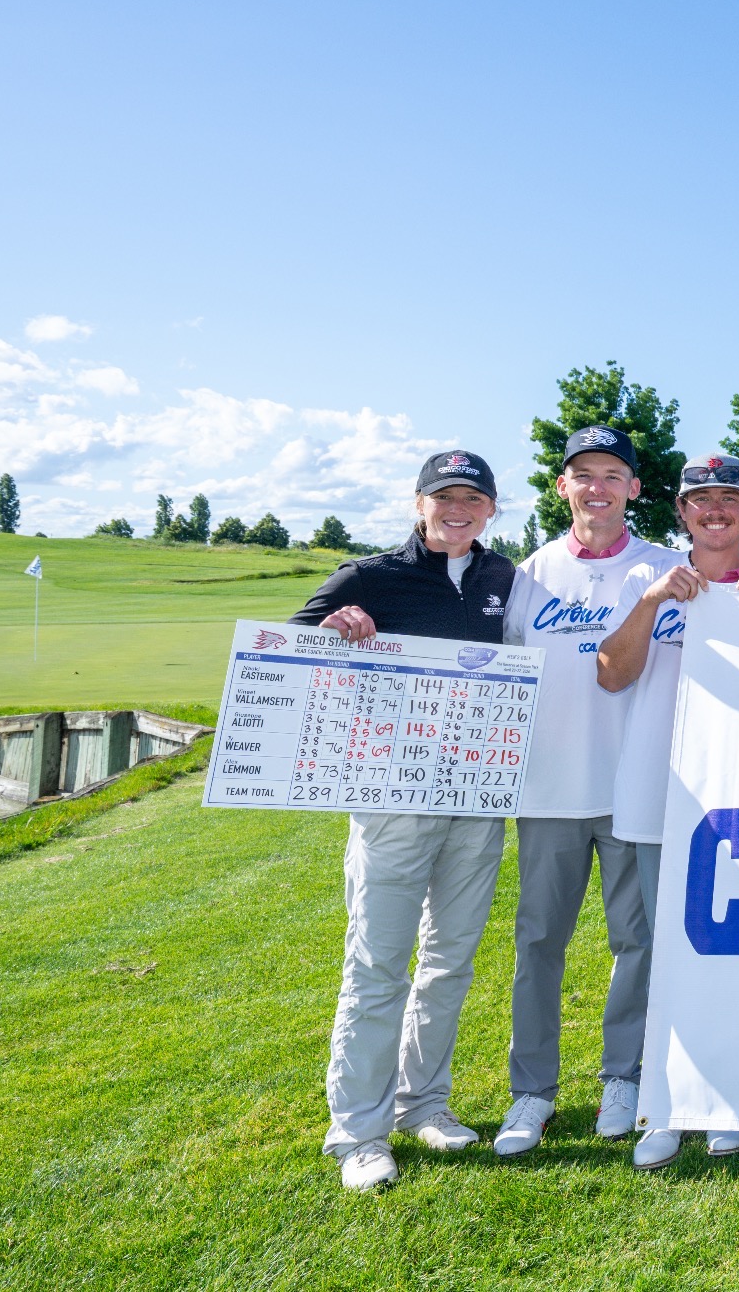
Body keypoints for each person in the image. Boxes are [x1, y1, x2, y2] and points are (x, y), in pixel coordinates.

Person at [291, 450, 524, 1192]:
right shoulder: (368, 576)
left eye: (472, 499)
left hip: (476, 800)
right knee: (378, 963)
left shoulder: (504, 579)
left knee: (450, 960)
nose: (457, 510)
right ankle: (358, 1131)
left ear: (491, 509)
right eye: (443, 497)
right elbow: (287, 654)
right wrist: (335, 624)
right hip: (392, 801)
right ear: (417, 503)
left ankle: (423, 1101)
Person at [597, 453, 739, 1170]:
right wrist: (654, 601)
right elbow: (611, 673)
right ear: (681, 510)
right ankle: (665, 1102)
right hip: (662, 794)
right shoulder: (647, 578)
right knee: (669, 951)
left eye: (731, 498)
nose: (716, 510)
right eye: (702, 500)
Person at [491, 427, 665, 1159]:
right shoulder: (529, 575)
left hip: (634, 789)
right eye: (583, 474)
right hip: (548, 789)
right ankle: (532, 1088)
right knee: (539, 941)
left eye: (613, 474)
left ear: (633, 488)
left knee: (640, 942)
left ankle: (624, 1076)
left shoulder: (663, 567)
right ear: (562, 486)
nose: (598, 487)